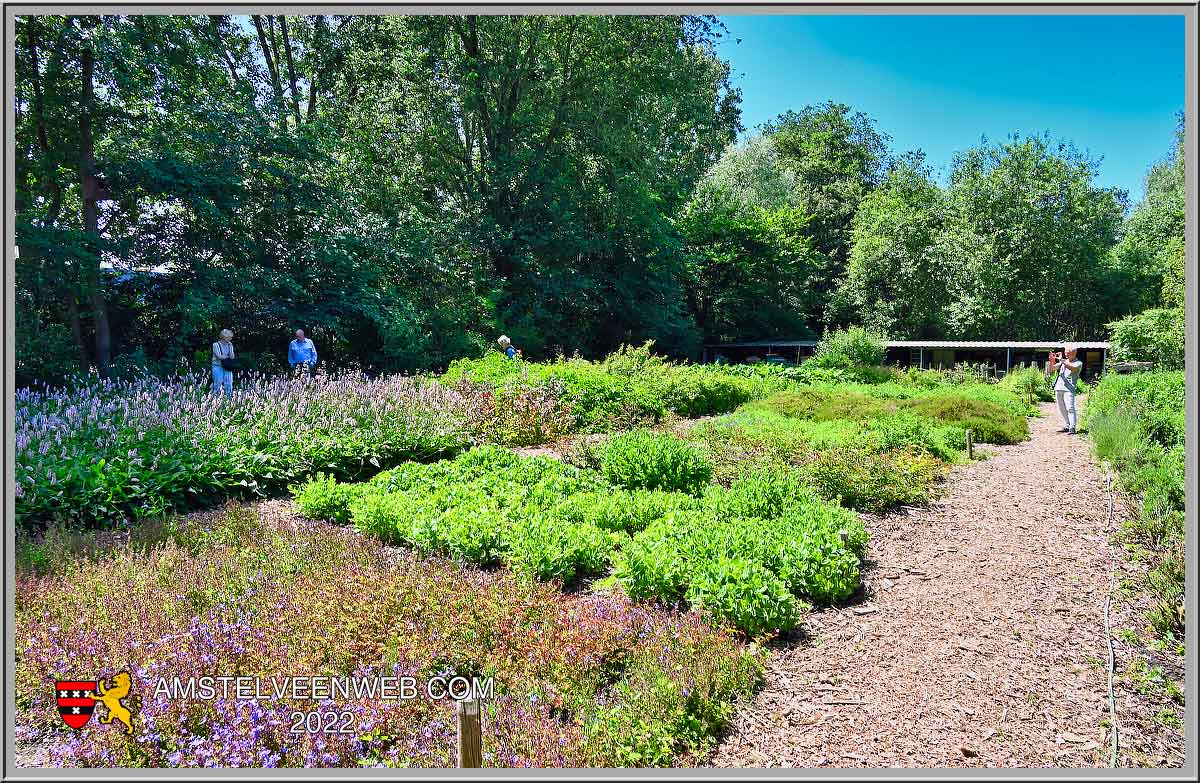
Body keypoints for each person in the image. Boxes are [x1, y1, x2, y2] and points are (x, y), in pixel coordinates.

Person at [1047, 344, 1083, 434]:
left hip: (1069, 388)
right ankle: (1067, 425)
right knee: (1061, 408)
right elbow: (1051, 369)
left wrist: (1062, 360)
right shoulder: (1064, 362)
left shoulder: (1078, 363)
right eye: (1065, 353)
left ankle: (1072, 427)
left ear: (1074, 353)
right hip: (1059, 387)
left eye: (1068, 353)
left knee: (1070, 407)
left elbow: (1073, 368)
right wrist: (1052, 360)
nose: (1066, 354)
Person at [211, 329, 236, 397]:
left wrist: (230, 347)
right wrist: (227, 357)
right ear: (224, 337)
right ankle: (216, 399)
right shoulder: (216, 345)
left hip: (227, 366)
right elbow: (219, 356)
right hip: (217, 366)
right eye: (229, 337)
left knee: (229, 384)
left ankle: (229, 399)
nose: (231, 339)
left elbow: (232, 357)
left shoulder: (230, 345)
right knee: (217, 383)